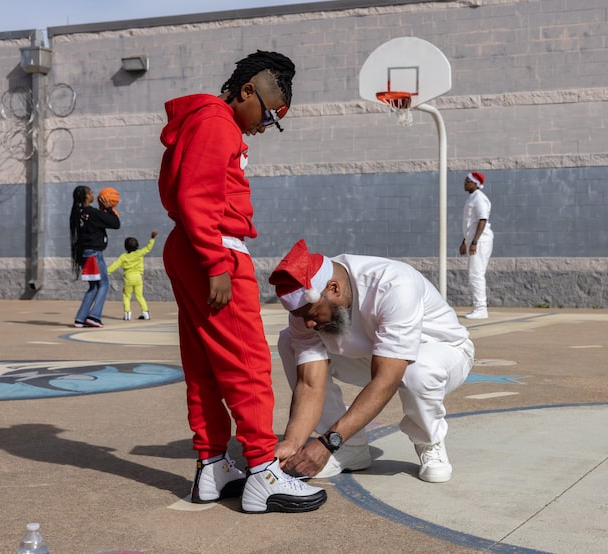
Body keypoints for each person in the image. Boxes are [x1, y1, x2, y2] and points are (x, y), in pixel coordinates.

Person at [158, 50, 326, 513]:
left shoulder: (204, 119)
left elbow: (191, 193)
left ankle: (213, 466)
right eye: (268, 114)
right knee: (246, 361)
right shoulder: (217, 121)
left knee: (205, 364)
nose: (266, 126)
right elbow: (197, 193)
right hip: (214, 246)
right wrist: (216, 262)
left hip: (192, 243)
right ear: (247, 90)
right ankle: (262, 471)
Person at [269, 239, 475, 484]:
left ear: (334, 288)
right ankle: (351, 449)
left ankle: (429, 440)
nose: (308, 324)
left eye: (312, 315)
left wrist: (327, 442)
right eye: (301, 317)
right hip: (376, 355)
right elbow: (310, 384)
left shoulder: (394, 285)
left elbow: (386, 380)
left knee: (417, 371)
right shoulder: (308, 306)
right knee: (289, 341)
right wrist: (293, 442)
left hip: (443, 352)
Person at [70, 185, 120, 328]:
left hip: (85, 254)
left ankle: (80, 318)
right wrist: (109, 209)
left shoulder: (79, 213)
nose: (93, 194)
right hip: (94, 254)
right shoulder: (91, 213)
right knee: (104, 284)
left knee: (94, 287)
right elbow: (115, 223)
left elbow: (98, 221)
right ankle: (94, 316)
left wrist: (103, 211)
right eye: (91, 192)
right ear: (86, 196)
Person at [459, 171, 494, 319]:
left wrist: (474, 242)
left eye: (467, 181)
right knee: (474, 274)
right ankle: (479, 307)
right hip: (473, 240)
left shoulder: (479, 198)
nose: (465, 183)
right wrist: (465, 241)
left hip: (480, 241)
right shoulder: (472, 197)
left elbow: (482, 220)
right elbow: (470, 223)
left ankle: (481, 309)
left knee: (476, 274)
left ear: (475, 183)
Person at [107, 230, 159, 321]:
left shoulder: (123, 256)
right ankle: (145, 313)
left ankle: (127, 314)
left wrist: (106, 272)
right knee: (140, 296)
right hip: (138, 277)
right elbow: (148, 248)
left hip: (128, 278)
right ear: (137, 246)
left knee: (126, 296)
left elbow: (115, 265)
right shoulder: (139, 253)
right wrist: (152, 238)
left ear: (125, 247)